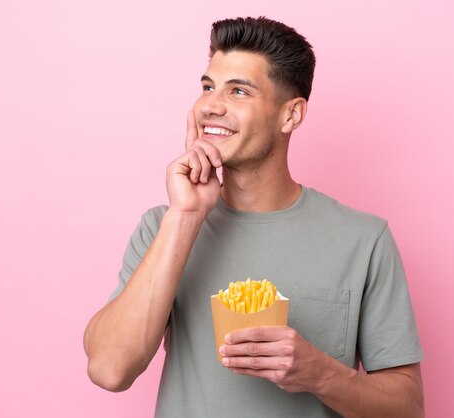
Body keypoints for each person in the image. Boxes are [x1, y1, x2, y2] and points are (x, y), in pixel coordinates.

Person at [83, 16, 424, 418]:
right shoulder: (163, 226)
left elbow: (408, 409)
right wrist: (186, 216)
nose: (210, 105)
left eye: (239, 91)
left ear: (291, 116)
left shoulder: (365, 240)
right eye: (207, 87)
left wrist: (319, 373)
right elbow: (109, 369)